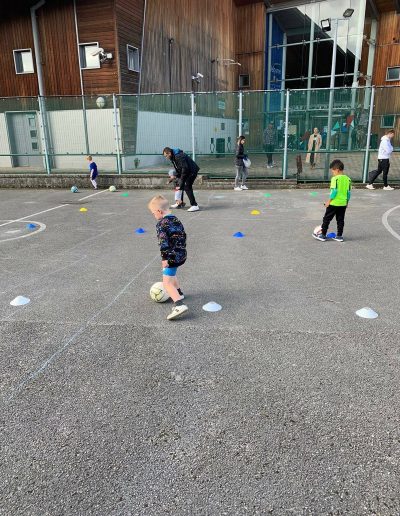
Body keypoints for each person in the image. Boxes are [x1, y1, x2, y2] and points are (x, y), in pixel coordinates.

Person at [148, 195, 188, 320]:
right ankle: (179, 293)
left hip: (171, 256)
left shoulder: (161, 223)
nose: (154, 215)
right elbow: (183, 235)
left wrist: (164, 259)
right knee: (172, 273)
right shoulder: (176, 219)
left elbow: (163, 242)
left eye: (153, 213)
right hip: (181, 253)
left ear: (159, 211)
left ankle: (179, 305)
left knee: (166, 283)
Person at [312, 159, 351, 242]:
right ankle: (339, 236)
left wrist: (328, 202)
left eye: (332, 171)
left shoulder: (335, 179)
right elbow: (348, 193)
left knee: (326, 219)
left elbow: (334, 192)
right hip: (343, 204)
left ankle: (322, 235)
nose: (332, 173)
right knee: (340, 220)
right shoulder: (348, 179)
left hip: (334, 203)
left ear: (337, 170)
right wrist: (347, 202)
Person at [163, 147, 199, 211]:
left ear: (169, 153)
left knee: (187, 186)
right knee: (179, 184)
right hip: (186, 171)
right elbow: (179, 168)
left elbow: (185, 168)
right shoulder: (173, 157)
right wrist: (176, 176)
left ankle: (194, 205)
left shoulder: (178, 156)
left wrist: (182, 179)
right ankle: (180, 203)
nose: (166, 157)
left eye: (166, 156)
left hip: (191, 171)